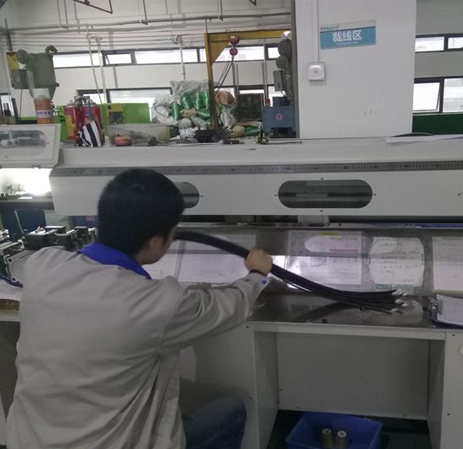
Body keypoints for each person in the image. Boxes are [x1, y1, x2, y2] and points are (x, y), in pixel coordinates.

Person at [7, 168, 272, 449]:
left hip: (28, 441)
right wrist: (258, 274)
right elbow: (228, 306)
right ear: (155, 242)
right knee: (231, 409)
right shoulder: (155, 304)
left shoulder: (42, 267)